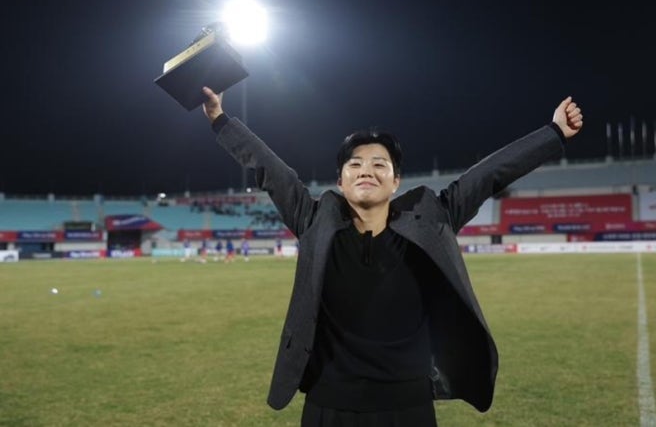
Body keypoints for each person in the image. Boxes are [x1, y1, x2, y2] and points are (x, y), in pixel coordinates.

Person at [201, 86, 583, 426]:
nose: (366, 170)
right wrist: (220, 119)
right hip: (329, 404)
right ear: (340, 181)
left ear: (396, 181)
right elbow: (270, 170)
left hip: (408, 405)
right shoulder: (314, 220)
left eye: (379, 164)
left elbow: (489, 175)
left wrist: (553, 134)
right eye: (355, 164)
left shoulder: (432, 217)